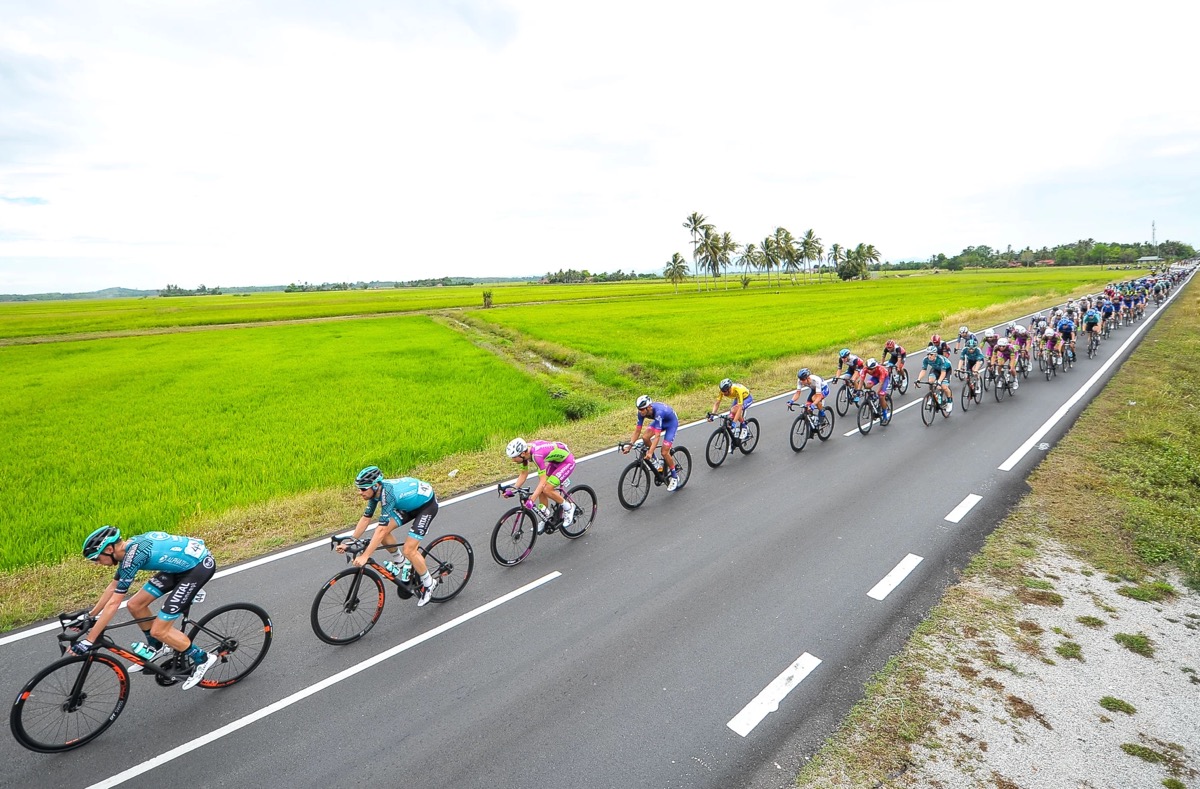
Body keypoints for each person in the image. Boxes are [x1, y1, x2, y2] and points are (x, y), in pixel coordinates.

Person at [75, 526, 218, 690]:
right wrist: (90, 615)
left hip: (197, 568)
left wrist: (89, 640)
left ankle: (203, 658)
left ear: (109, 549)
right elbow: (113, 587)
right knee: (135, 605)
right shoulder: (128, 552)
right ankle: (156, 647)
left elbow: (114, 603)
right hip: (178, 568)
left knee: (159, 630)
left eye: (96, 558)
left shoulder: (133, 557)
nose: (97, 563)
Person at [344, 467, 440, 606]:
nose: (360, 492)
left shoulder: (387, 495)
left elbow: (381, 530)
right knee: (381, 532)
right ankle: (400, 562)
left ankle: (429, 583)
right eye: (359, 489)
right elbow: (366, 518)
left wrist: (365, 556)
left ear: (375, 485)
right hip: (408, 505)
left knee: (409, 549)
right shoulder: (375, 492)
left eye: (363, 489)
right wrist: (351, 541)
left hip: (426, 506)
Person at [504, 437, 577, 532]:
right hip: (555, 462)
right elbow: (523, 474)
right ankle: (545, 518)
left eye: (514, 457)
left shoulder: (537, 456)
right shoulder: (525, 454)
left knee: (546, 489)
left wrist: (532, 499)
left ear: (522, 454)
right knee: (541, 490)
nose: (513, 460)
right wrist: (513, 490)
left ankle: (569, 507)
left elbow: (542, 482)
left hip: (567, 462)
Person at [624, 395, 681, 491]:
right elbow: (637, 431)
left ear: (649, 407)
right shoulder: (641, 412)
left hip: (671, 423)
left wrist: (650, 452)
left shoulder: (659, 412)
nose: (640, 412)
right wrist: (629, 446)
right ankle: (656, 462)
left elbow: (657, 436)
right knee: (645, 437)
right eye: (639, 409)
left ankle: (675, 477)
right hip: (660, 422)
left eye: (642, 409)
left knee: (664, 452)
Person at [920, 345, 954, 411]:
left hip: (946, 370)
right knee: (931, 381)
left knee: (944, 387)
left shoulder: (941, 359)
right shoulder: (926, 359)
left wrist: (939, 382)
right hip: (936, 369)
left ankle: (949, 402)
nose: (929, 356)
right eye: (928, 354)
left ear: (935, 354)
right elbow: (923, 370)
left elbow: (943, 373)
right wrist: (918, 379)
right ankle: (932, 396)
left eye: (931, 354)